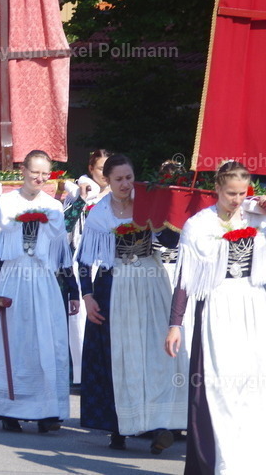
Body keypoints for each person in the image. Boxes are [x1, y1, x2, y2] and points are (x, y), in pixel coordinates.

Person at [0, 149, 78, 433]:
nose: (39, 177)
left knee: (46, 344)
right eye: (34, 171)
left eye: (45, 173)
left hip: (44, 282)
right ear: (23, 170)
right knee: (14, 343)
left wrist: (72, 291)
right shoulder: (6, 204)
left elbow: (63, 255)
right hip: (13, 279)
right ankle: (8, 409)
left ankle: (47, 412)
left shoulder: (54, 207)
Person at [77, 153, 187, 452]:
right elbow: (85, 260)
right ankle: (119, 427)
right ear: (107, 181)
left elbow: (171, 242)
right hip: (115, 284)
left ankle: (162, 424)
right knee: (120, 354)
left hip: (151, 281)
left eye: (128, 177)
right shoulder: (99, 213)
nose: (125, 184)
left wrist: (167, 218)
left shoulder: (147, 202)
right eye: (118, 179)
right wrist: (87, 297)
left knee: (156, 352)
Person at [165, 161, 266, 474]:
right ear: (217, 190)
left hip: (252, 304)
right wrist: (175, 323)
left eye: (242, 193)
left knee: (252, 386)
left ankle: (251, 461)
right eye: (230, 193)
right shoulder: (199, 225)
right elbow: (184, 278)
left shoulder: (257, 217)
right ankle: (219, 462)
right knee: (219, 385)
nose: (237, 199)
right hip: (218, 309)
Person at [63, 148, 112, 385]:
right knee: (81, 318)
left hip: (109, 262)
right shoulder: (77, 193)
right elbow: (64, 226)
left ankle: (104, 371)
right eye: (101, 168)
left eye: (108, 169)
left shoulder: (119, 196)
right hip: (82, 262)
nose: (105, 174)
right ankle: (82, 375)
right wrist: (81, 199)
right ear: (91, 169)